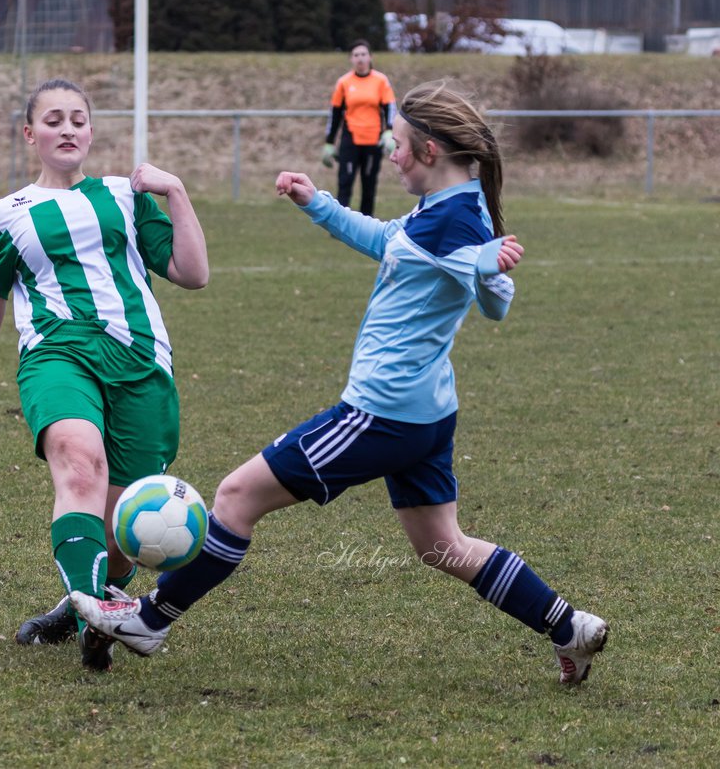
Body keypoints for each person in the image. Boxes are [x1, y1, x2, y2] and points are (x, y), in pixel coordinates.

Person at [73, 79, 609, 685]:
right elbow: (395, 244)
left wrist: (486, 267)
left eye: (397, 143)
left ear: (429, 151)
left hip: (381, 414)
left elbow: (487, 289)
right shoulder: (454, 207)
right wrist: (317, 203)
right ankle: (570, 627)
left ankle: (150, 619)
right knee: (443, 545)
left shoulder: (458, 221)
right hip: (426, 414)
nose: (390, 152)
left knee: (236, 497)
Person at [0, 78, 209, 672]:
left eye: (78, 120)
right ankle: (91, 610)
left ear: (91, 131)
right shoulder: (5, 216)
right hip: (59, 355)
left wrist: (176, 193)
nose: (68, 130)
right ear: (31, 135)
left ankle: (86, 605)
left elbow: (192, 273)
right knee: (79, 463)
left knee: (118, 541)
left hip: (141, 366)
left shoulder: (125, 196)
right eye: (53, 120)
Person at [322, 39, 396, 218]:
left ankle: (366, 227)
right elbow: (336, 113)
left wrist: (389, 131)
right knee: (345, 182)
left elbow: (390, 107)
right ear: (351, 59)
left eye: (363, 54)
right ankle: (339, 224)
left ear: (370, 57)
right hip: (351, 140)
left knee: (369, 184)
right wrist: (329, 143)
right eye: (356, 55)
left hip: (373, 141)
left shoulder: (380, 81)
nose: (360, 58)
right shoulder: (344, 82)